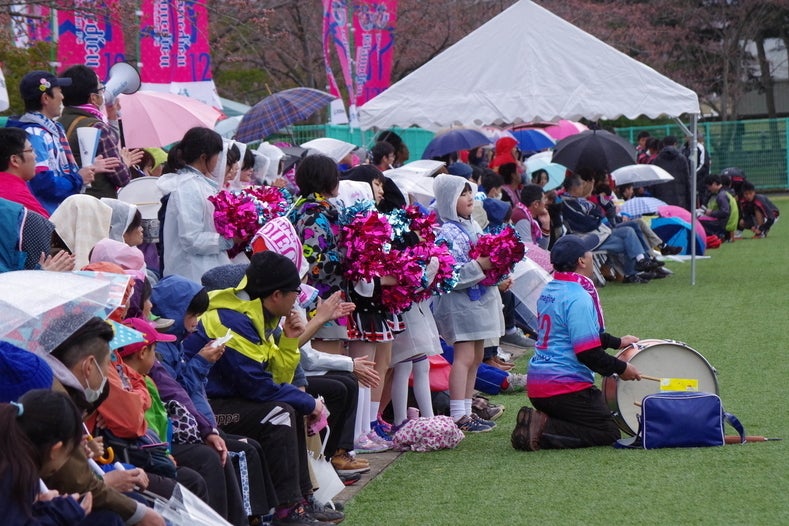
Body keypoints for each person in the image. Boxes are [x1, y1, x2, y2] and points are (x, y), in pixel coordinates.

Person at [183, 251, 340, 525]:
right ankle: (287, 511)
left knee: (289, 407)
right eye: (295, 292)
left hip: (229, 399)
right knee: (279, 414)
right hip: (205, 408)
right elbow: (257, 387)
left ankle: (302, 499)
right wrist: (310, 403)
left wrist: (289, 341)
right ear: (276, 295)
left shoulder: (256, 314)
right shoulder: (231, 320)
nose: (297, 300)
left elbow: (275, 377)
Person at [512, 234, 642, 451]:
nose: (592, 255)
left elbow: (568, 334)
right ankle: (542, 428)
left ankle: (544, 419)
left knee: (593, 417)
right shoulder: (578, 297)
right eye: (588, 252)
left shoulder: (549, 290)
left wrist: (617, 342)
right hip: (563, 388)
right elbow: (587, 353)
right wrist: (622, 368)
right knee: (608, 432)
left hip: (538, 385)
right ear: (581, 261)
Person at [432, 173, 504, 432]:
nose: (469, 197)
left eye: (469, 192)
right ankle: (457, 415)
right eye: (462, 194)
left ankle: (466, 410)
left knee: (476, 357)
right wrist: (481, 265)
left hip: (478, 302)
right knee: (464, 357)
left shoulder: (472, 225)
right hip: (460, 304)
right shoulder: (447, 232)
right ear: (448, 201)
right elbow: (449, 274)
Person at [0, 389, 126, 525]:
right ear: (56, 449)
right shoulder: (12, 476)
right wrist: (60, 513)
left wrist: (41, 508)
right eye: (70, 452)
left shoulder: (14, 461)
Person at [6, 71, 116, 215]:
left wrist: (88, 170)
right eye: (59, 91)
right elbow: (44, 184)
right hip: (47, 215)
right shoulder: (35, 134)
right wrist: (79, 178)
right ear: (46, 98)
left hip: (56, 213)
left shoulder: (52, 129)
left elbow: (56, 173)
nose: (62, 97)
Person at [286, 154, 348, 353]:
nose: (338, 181)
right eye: (335, 176)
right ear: (324, 179)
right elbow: (313, 265)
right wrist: (347, 254)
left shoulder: (312, 210)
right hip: (319, 301)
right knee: (329, 361)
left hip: (326, 300)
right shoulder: (314, 216)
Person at [157, 127, 233, 281]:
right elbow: (192, 239)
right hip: (192, 272)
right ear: (204, 157)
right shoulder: (188, 187)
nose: (219, 160)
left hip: (203, 267)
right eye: (217, 155)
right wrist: (227, 240)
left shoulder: (199, 183)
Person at [60, 64, 142, 199]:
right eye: (101, 89)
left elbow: (108, 141)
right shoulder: (97, 126)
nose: (103, 93)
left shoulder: (58, 123)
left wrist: (112, 116)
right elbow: (121, 178)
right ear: (93, 98)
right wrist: (125, 162)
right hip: (96, 201)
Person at [0, 127, 51, 218]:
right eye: (31, 150)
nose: (35, 156)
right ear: (15, 160)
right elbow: (47, 226)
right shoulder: (16, 195)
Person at [650, 135, 692, 211]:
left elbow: (654, 183)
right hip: (680, 200)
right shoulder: (682, 159)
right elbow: (687, 181)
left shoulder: (657, 160)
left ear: (663, 144)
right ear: (675, 144)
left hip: (662, 200)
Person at [699, 174, 737, 240]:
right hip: (728, 224)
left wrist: (711, 213)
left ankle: (715, 236)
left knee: (698, 221)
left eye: (709, 186)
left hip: (724, 225)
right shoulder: (724, 193)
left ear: (714, 184)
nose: (709, 189)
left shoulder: (721, 195)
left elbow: (725, 212)